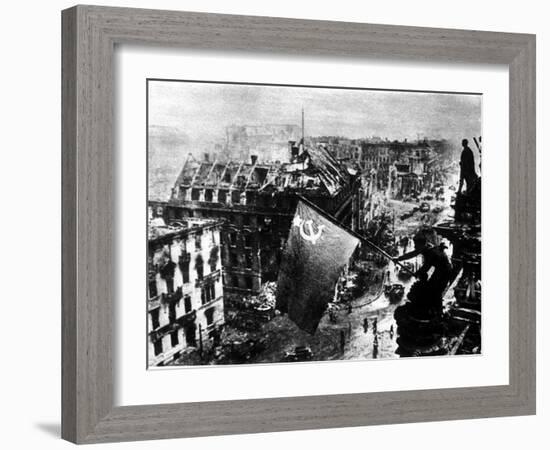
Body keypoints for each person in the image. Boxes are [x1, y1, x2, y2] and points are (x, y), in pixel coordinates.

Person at [393, 232, 453, 308]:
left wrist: (416, 273)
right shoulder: (425, 247)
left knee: (436, 290)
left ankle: (437, 309)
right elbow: (412, 254)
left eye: (416, 245)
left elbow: (426, 267)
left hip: (445, 271)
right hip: (439, 269)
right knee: (430, 286)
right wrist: (398, 259)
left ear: (422, 244)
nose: (415, 247)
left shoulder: (431, 252)